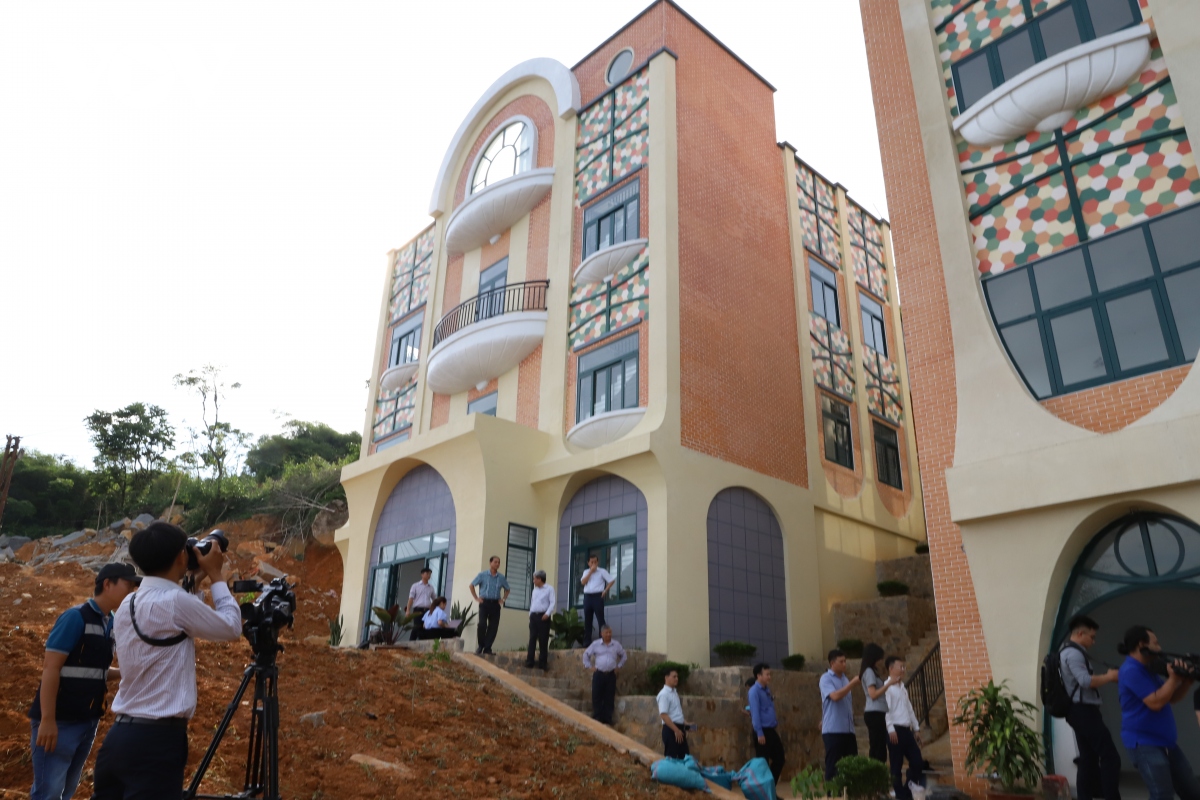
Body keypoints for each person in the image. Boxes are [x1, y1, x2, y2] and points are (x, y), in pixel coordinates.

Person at [90, 522, 243, 799]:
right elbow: (231, 627)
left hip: (119, 738)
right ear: (181, 557)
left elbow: (179, 617)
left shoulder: (128, 604)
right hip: (157, 743)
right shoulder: (175, 602)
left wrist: (193, 579)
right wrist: (216, 575)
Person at [28, 563, 140, 800]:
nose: (133, 591)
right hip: (60, 721)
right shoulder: (75, 617)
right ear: (107, 584)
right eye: (128, 585)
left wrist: (126, 672)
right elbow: (51, 668)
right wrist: (47, 720)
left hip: (87, 721)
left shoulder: (110, 622)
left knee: (67, 789)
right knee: (49, 792)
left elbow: (94, 670)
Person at [1116, 625, 1200, 800]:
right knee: (1162, 794)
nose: (1160, 647)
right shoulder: (1131, 670)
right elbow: (1155, 702)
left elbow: (1170, 698)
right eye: (1156, 642)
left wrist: (1186, 682)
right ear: (1142, 644)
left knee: (1192, 791)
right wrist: (1174, 678)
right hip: (1144, 743)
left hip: (1166, 742)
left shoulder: (1148, 670)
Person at [1060, 614, 1122, 800]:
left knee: (1088, 759)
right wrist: (1110, 677)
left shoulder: (1066, 650)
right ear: (1080, 633)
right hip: (1084, 711)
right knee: (1111, 757)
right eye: (1092, 637)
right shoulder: (1074, 653)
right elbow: (1086, 681)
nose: (1093, 641)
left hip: (1078, 710)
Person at [884, 656, 924, 800]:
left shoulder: (902, 687)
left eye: (903, 667)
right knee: (896, 764)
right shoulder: (887, 687)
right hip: (895, 729)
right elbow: (886, 710)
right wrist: (890, 729)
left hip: (906, 730)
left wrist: (916, 728)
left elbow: (909, 709)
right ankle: (899, 794)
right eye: (900, 667)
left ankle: (907, 788)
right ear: (891, 668)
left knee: (917, 761)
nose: (902, 670)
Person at [820, 648, 861, 779]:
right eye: (841, 661)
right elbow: (835, 697)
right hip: (833, 730)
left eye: (845, 661)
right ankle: (833, 794)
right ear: (832, 663)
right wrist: (853, 684)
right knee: (833, 765)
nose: (844, 664)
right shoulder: (826, 678)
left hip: (848, 730)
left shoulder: (844, 679)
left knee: (852, 764)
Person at [748, 662, 785, 785]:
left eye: (770, 674)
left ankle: (769, 789)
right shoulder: (754, 691)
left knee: (780, 758)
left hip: (771, 730)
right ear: (758, 676)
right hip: (762, 732)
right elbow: (755, 713)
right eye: (767, 674)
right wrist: (759, 733)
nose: (769, 677)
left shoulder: (766, 690)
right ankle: (762, 793)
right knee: (762, 763)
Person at [582, 625, 626, 724]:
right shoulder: (595, 644)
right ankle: (597, 717)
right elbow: (586, 655)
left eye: (610, 632)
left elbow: (624, 656)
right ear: (602, 634)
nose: (608, 634)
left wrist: (619, 666)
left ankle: (607, 718)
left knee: (609, 696)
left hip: (611, 674)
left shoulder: (616, 645)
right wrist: (589, 666)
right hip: (599, 674)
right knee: (596, 695)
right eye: (606, 633)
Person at [469, 556, 510, 656]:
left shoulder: (501, 577)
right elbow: (471, 585)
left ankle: (488, 648)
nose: (497, 564)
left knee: (493, 627)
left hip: (495, 604)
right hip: (484, 603)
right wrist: (476, 598)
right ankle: (480, 646)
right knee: (482, 624)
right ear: (490, 563)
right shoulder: (482, 575)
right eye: (495, 562)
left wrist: (503, 599)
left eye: (499, 562)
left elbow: (507, 589)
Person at [860, 643, 893, 764]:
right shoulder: (869, 672)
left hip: (878, 712)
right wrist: (888, 684)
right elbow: (873, 694)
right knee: (878, 747)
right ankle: (876, 772)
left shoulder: (872, 671)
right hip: (874, 712)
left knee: (879, 745)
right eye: (880, 658)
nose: (881, 661)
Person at [579, 553, 614, 645]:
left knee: (600, 619)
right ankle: (587, 641)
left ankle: (602, 640)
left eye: (595, 562)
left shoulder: (602, 571)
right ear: (588, 563)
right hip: (587, 597)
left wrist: (605, 590)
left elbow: (611, 580)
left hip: (598, 596)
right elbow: (583, 582)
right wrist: (591, 571)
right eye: (591, 562)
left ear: (598, 562)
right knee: (588, 619)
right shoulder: (586, 572)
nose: (593, 564)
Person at [657, 667, 691, 759]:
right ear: (666, 677)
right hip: (671, 729)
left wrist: (684, 722)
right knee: (672, 757)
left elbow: (675, 712)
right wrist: (676, 730)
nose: (676, 679)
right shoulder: (664, 694)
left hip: (679, 729)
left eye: (677, 677)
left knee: (684, 757)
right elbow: (663, 715)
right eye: (674, 676)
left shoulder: (674, 693)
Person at [525, 570, 555, 671]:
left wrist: (547, 614)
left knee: (543, 639)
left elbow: (552, 602)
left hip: (543, 616)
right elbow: (533, 603)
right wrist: (530, 614)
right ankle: (530, 661)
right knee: (532, 638)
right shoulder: (535, 590)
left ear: (539, 579)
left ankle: (543, 663)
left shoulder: (549, 589)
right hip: (534, 616)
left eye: (535, 579)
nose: (533, 581)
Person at [404, 567, 436, 642]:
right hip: (418, 609)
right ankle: (411, 642)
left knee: (426, 626)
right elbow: (411, 598)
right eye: (427, 574)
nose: (429, 575)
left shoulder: (431, 587)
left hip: (427, 610)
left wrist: (435, 608)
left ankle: (423, 642)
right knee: (417, 626)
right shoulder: (415, 586)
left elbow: (434, 598)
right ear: (422, 574)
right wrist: (408, 610)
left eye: (430, 574)